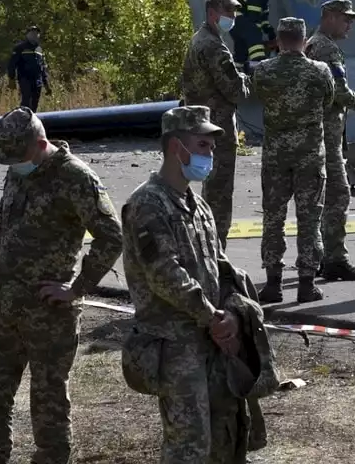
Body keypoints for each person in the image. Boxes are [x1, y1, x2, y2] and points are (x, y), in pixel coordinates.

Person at [119, 105, 278, 462]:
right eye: (203, 145)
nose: (210, 154)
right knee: (189, 446)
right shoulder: (147, 203)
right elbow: (165, 273)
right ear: (177, 148)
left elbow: (219, 267)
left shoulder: (197, 205)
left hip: (212, 343)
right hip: (176, 349)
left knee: (226, 435)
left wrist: (234, 315)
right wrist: (212, 318)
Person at [0, 107, 123, 464]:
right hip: (6, 308)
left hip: (49, 312)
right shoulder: (17, 167)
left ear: (41, 144)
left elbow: (111, 236)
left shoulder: (76, 178)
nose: (12, 164)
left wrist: (77, 288)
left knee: (48, 401)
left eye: (18, 157)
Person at [250, 17, 334, 303]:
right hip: (309, 156)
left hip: (275, 155)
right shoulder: (320, 71)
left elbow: (258, 95)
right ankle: (306, 284)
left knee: (273, 218)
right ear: (304, 39)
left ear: (278, 39)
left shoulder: (264, 71)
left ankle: (273, 283)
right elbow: (328, 101)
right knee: (309, 219)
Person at [304, 0, 355, 282]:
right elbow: (338, 90)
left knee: (319, 197)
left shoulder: (311, 44)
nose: (349, 25)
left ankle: (318, 256)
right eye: (345, 19)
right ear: (329, 18)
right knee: (338, 195)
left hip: (319, 133)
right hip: (326, 136)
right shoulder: (326, 48)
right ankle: (335, 259)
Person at [179, 0, 249, 248]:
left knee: (210, 192)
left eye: (234, 10)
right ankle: (215, 253)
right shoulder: (214, 47)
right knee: (218, 195)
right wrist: (247, 79)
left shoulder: (200, 39)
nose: (232, 15)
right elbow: (237, 91)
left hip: (200, 128)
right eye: (227, 10)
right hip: (216, 131)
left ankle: (208, 248)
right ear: (211, 13)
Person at [230, 0, 289, 72]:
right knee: (254, 32)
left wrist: (269, 30)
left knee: (242, 51)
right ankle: (260, 65)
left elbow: (262, 19)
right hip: (237, 18)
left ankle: (237, 70)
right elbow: (254, 18)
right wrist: (259, 39)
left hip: (236, 23)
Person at [8, 25, 52, 111]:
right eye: (32, 32)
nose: (35, 35)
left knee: (35, 103)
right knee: (26, 102)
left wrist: (47, 85)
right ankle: (23, 121)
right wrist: (11, 79)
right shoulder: (20, 48)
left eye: (36, 33)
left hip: (38, 80)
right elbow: (12, 64)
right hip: (25, 78)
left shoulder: (39, 50)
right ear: (27, 34)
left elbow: (42, 68)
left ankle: (32, 121)